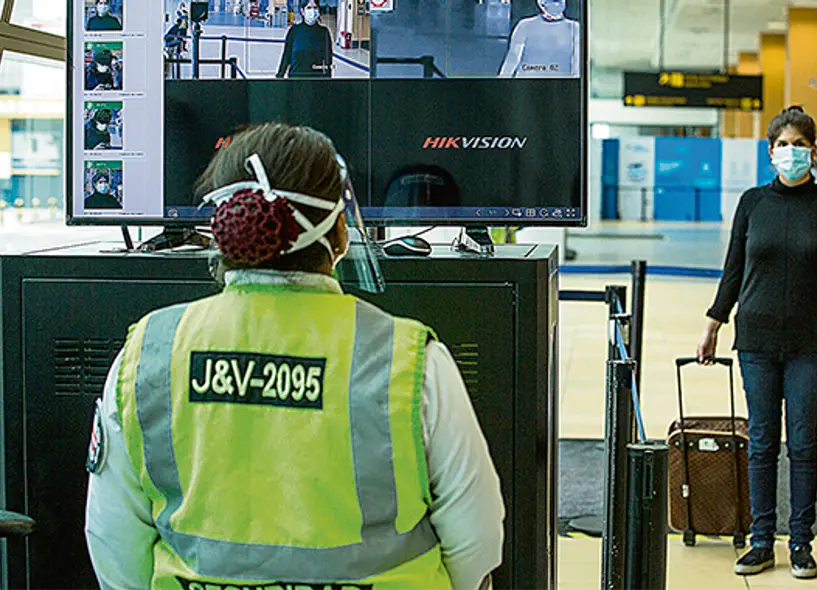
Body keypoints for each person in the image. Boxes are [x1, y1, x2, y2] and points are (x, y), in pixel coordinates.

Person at [84, 122, 505, 590]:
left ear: (224, 231)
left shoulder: (147, 354)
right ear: (339, 231)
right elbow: (478, 540)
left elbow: (113, 541)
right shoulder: (409, 363)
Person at [696, 106, 817, 580]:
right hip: (757, 341)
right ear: (770, 153)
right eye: (783, 145)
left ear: (813, 151)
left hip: (811, 343)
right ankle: (762, 540)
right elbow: (734, 270)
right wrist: (713, 323)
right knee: (764, 443)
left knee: (804, 443)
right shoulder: (752, 203)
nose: (792, 152)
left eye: (800, 144)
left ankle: (802, 544)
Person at [498, 0, 580, 78]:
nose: (555, 4)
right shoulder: (524, 25)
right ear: (540, 2)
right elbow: (512, 61)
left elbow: (577, 65)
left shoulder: (575, 28)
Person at [276, 0, 334, 78]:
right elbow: (286, 56)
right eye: (309, 7)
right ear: (302, 11)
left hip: (317, 81)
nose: (312, 11)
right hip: (296, 80)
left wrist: (328, 80)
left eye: (315, 7)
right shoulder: (294, 31)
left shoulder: (324, 32)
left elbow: (328, 60)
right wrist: (280, 76)